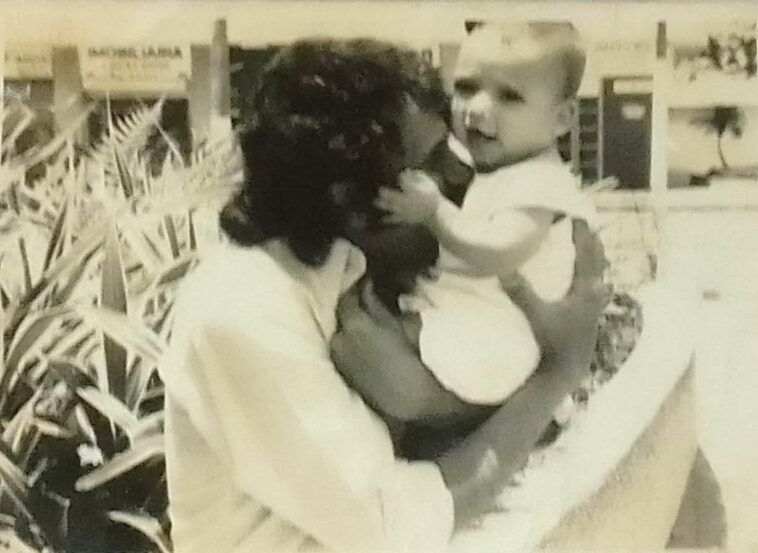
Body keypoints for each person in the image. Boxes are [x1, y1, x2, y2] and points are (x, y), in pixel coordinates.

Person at [158, 38, 607, 553]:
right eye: (428, 164)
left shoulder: (357, 259)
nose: (459, 174)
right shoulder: (243, 310)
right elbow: (396, 524)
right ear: (347, 196)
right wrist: (559, 373)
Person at [375, 23, 594, 428]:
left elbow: (500, 252)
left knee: (372, 343)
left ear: (562, 119)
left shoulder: (542, 181)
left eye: (509, 96)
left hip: (497, 334)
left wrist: (434, 212)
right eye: (465, 88)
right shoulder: (504, 169)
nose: (476, 108)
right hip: (479, 312)